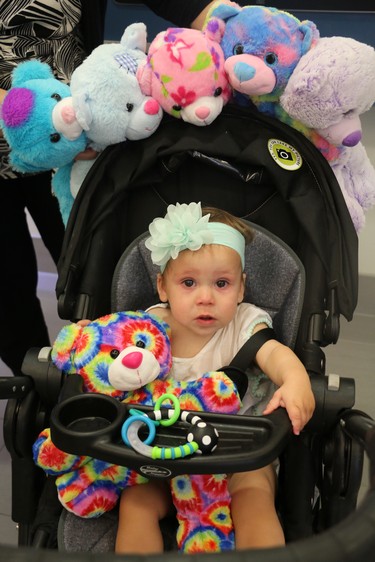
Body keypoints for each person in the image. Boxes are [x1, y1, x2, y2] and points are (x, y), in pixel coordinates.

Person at [115, 202, 315, 554]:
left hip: (238, 455)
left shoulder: (243, 325)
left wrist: (295, 379)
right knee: (135, 504)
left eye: (222, 283)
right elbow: (113, 360)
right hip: (164, 452)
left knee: (255, 499)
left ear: (240, 289)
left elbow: (275, 355)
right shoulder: (150, 328)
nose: (205, 297)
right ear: (163, 287)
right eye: (188, 283)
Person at [0, 0, 107, 376]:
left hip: (69, 153)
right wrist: (48, 121)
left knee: (96, 274)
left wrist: (215, 14)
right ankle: (37, 397)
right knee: (9, 297)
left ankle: (111, 380)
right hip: (58, 133)